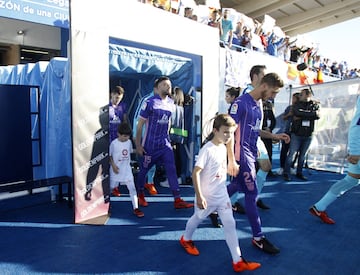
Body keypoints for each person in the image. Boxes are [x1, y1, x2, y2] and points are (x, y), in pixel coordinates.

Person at [179, 114, 261, 273]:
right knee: (198, 218)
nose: (228, 136)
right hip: (207, 196)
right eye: (225, 132)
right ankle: (186, 239)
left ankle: (238, 261)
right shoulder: (207, 150)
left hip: (222, 194)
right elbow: (195, 173)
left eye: (230, 133)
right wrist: (199, 196)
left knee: (230, 224)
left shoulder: (223, 145)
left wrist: (232, 161)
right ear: (215, 130)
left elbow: (230, 140)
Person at [227, 72, 290, 254]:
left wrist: (274, 136)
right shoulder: (240, 103)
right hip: (241, 156)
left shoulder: (259, 105)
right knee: (251, 193)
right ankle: (258, 237)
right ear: (264, 86)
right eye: (273, 92)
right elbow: (229, 132)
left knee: (236, 186)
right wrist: (231, 159)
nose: (273, 96)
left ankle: (207, 205)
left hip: (251, 153)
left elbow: (256, 131)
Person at [135, 76, 193, 209]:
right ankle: (140, 195)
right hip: (149, 145)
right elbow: (139, 125)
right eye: (165, 84)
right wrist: (138, 145)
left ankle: (177, 199)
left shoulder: (172, 103)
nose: (168, 86)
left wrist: (169, 140)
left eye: (170, 84)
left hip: (165, 144)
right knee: (143, 170)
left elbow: (168, 123)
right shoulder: (149, 102)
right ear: (157, 88)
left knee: (171, 169)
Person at [309, 96, 360, 224]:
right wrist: (356, 150)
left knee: (352, 180)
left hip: (356, 145)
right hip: (357, 147)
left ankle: (319, 207)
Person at [283, 88, 320, 181]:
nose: (300, 96)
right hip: (297, 134)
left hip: (308, 134)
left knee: (302, 155)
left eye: (302, 94)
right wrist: (310, 114)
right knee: (291, 154)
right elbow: (297, 112)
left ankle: (299, 172)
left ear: (308, 95)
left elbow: (317, 115)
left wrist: (302, 115)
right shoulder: (296, 104)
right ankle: (286, 172)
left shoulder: (314, 104)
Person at [110, 122, 144, 218]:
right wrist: (113, 166)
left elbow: (129, 152)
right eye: (124, 136)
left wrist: (137, 150)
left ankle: (136, 208)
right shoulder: (114, 144)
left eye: (128, 136)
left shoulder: (129, 142)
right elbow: (109, 156)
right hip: (115, 171)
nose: (126, 138)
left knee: (132, 189)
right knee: (110, 188)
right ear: (118, 134)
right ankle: (105, 204)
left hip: (127, 171)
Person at [132, 83, 159, 196]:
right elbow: (137, 118)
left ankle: (150, 182)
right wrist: (135, 135)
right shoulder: (146, 100)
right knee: (143, 160)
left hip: (155, 137)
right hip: (144, 136)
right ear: (156, 88)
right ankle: (141, 183)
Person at [278, 93, 300, 175]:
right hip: (287, 131)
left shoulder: (300, 108)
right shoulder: (289, 108)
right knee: (284, 149)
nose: (293, 100)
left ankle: (291, 166)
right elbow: (283, 117)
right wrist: (289, 114)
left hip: (296, 132)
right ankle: (282, 167)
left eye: (294, 99)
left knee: (294, 151)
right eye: (292, 98)